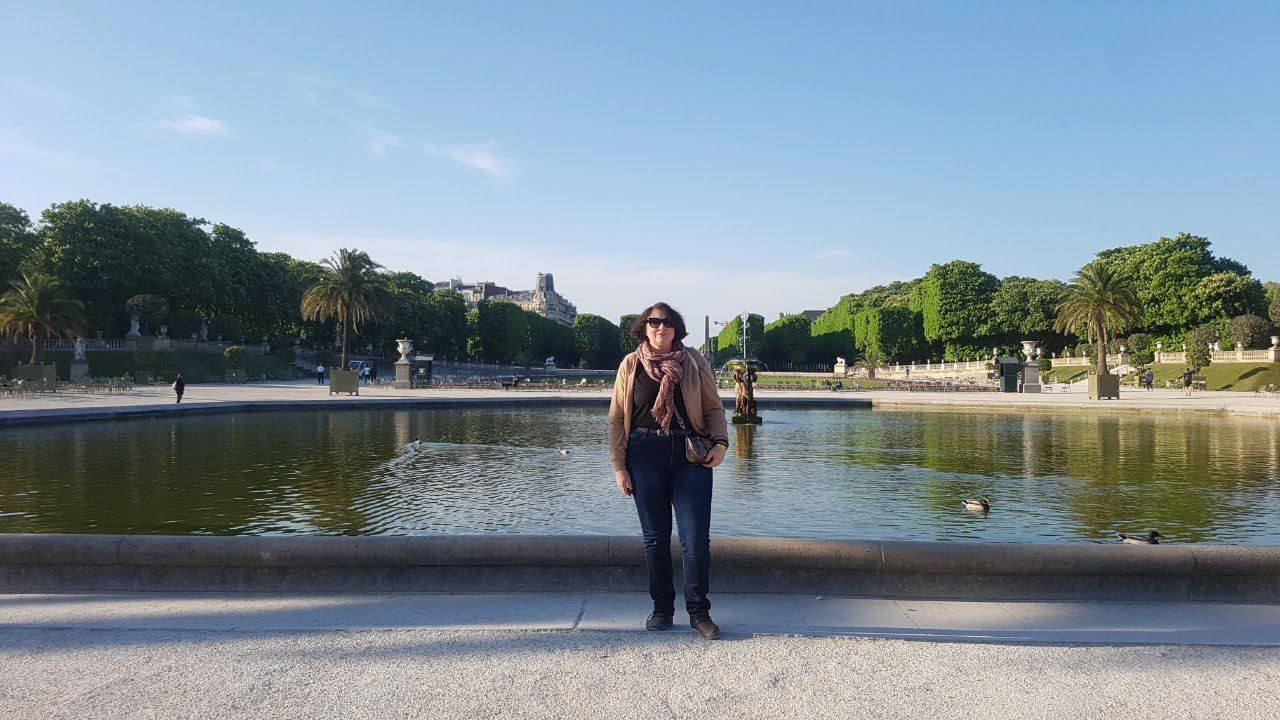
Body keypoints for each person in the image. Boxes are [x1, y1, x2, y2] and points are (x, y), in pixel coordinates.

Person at [608, 302, 730, 640]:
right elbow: (617, 419)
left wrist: (721, 444)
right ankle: (662, 608)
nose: (661, 327)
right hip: (644, 453)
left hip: (690, 454)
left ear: (676, 328)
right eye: (654, 322)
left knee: (695, 538)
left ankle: (699, 612)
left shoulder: (693, 360)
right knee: (655, 538)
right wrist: (619, 466)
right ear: (644, 328)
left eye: (667, 322)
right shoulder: (631, 364)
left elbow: (713, 408)